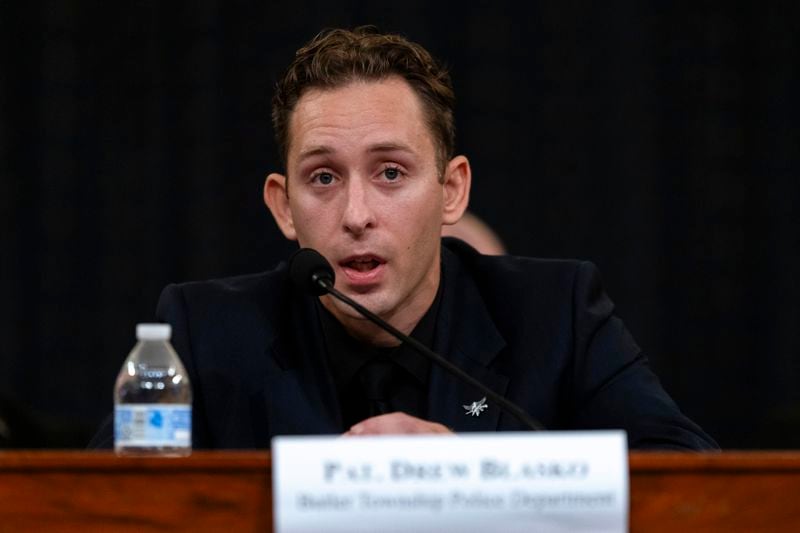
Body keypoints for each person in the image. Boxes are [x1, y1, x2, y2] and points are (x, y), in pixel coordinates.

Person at [92, 27, 717, 450]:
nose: (356, 213)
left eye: (390, 172)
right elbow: (102, 509)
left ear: (452, 190)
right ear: (283, 207)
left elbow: (690, 484)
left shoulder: (557, 316)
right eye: (324, 178)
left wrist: (478, 484)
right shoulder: (205, 332)